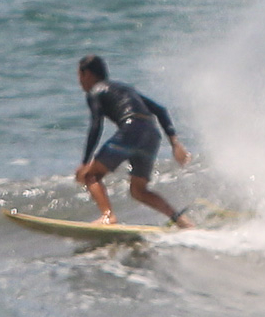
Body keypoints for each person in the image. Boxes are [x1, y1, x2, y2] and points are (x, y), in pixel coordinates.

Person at [74, 54, 193, 227]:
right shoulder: (125, 88)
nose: (79, 82)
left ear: (88, 74)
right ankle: (181, 221)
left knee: (91, 175)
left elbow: (96, 124)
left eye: (80, 76)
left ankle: (108, 216)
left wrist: (85, 162)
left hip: (131, 130)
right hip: (152, 135)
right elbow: (160, 110)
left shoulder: (95, 91)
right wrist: (175, 143)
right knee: (138, 191)